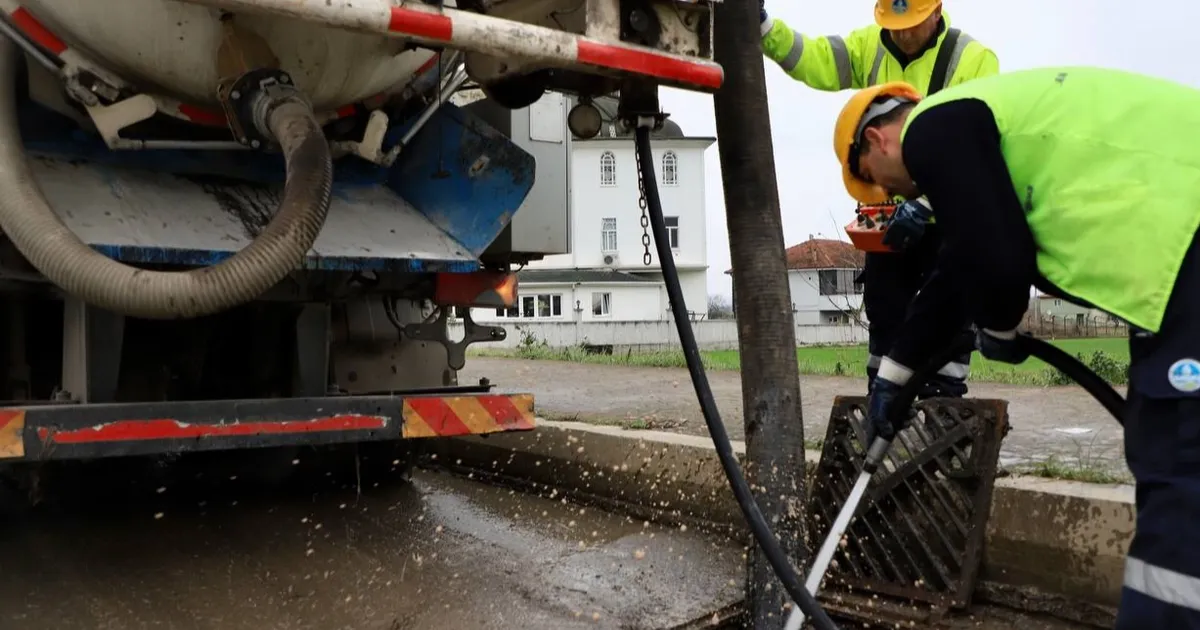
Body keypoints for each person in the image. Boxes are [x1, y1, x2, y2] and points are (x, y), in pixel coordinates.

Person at [832, 67, 1200, 629]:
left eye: (873, 178)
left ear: (877, 139)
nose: (888, 192)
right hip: (1175, 247)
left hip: (1184, 244)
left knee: (1178, 465)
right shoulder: (988, 132)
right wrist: (896, 376)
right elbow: (960, 267)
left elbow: (996, 261)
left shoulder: (934, 126)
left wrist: (1000, 325)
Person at [758, 0, 999, 399]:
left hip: (949, 223)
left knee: (945, 324)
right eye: (895, 25)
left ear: (936, 12)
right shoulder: (871, 45)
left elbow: (976, 152)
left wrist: (926, 205)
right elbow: (815, 58)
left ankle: (941, 410)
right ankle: (883, 402)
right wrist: (765, 27)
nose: (902, 34)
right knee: (886, 318)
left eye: (913, 24)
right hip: (888, 222)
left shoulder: (971, 61)